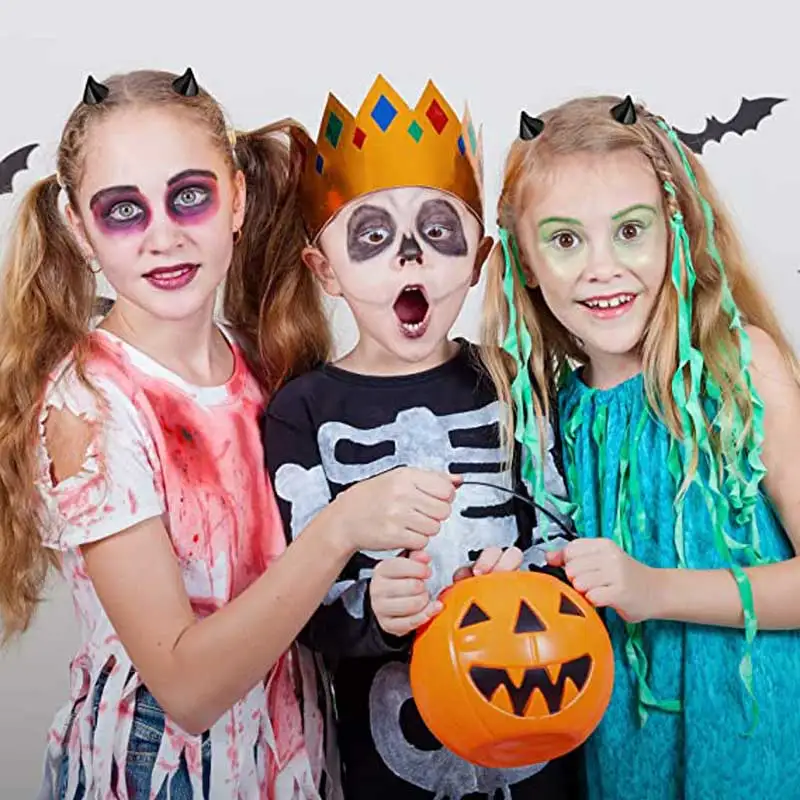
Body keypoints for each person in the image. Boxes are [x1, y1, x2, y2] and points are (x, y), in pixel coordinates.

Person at [0, 68, 454, 800]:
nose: (164, 237)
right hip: (159, 773)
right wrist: (338, 530)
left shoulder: (264, 364)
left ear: (236, 199)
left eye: (190, 196)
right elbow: (187, 689)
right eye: (123, 210)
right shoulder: (91, 409)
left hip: (291, 760)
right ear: (80, 229)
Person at [262, 74, 582, 800]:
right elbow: (296, 605)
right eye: (373, 237)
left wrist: (527, 577)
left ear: (479, 260)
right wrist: (370, 611)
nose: (410, 257)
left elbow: (565, 534)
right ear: (325, 270)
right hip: (386, 766)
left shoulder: (516, 379)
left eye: (438, 232)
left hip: (537, 726)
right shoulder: (300, 411)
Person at [479, 94, 800, 798]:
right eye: (566, 240)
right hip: (623, 761)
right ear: (524, 261)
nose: (602, 268)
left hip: (757, 753)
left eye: (629, 230)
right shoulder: (551, 417)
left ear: (675, 228)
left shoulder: (740, 371)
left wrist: (655, 590)